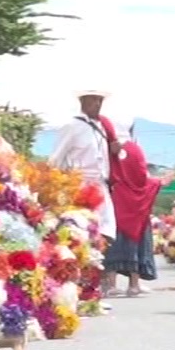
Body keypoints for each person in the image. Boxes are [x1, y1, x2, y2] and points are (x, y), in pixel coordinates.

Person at [104, 121, 170, 297]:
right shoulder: (134, 150)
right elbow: (141, 179)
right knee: (136, 243)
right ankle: (134, 285)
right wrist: (159, 182)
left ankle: (110, 285)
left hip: (115, 204)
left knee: (113, 244)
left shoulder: (106, 150)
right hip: (136, 210)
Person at [47, 89, 118, 247]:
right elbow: (55, 160)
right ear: (83, 101)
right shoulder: (72, 126)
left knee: (104, 235)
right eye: (93, 99)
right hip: (79, 188)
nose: (97, 104)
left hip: (100, 187)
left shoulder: (100, 129)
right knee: (79, 234)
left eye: (100, 100)